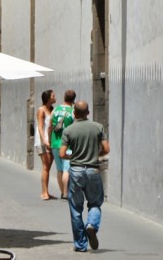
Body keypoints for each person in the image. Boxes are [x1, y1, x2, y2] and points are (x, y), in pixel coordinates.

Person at [60, 100, 109, 253]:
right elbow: (106, 149)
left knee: (75, 208)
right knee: (95, 203)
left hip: (76, 171)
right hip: (93, 170)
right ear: (88, 113)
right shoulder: (98, 127)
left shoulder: (68, 130)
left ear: (74, 113)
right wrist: (96, 154)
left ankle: (81, 245)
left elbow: (62, 153)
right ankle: (92, 225)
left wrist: (73, 157)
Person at [49, 89, 76, 199]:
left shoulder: (55, 109)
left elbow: (50, 126)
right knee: (66, 169)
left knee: (59, 169)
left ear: (64, 97)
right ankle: (66, 193)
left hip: (55, 142)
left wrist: (50, 140)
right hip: (67, 144)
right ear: (73, 100)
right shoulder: (73, 111)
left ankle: (61, 191)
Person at [36, 89, 55, 200]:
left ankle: (46, 191)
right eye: (53, 95)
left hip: (50, 141)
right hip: (42, 142)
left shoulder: (52, 109)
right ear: (48, 98)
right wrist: (44, 141)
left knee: (48, 167)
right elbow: (40, 126)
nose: (55, 97)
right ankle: (44, 192)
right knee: (45, 167)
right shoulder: (41, 110)